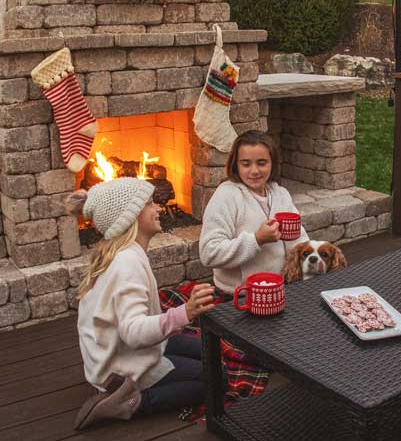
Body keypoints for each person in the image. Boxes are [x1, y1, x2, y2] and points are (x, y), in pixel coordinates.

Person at [67, 177, 217, 430]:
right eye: (149, 203)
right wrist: (186, 312)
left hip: (115, 353)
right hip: (119, 368)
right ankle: (129, 403)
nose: (158, 207)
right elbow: (133, 331)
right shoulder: (127, 263)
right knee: (215, 378)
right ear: (131, 217)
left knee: (208, 352)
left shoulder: (122, 254)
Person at [200, 130, 310, 295]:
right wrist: (256, 240)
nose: (254, 171)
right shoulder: (226, 196)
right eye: (246, 164)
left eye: (261, 163)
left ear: (272, 163)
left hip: (281, 289)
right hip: (239, 295)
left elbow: (299, 240)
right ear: (235, 165)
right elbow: (209, 253)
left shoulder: (280, 194)